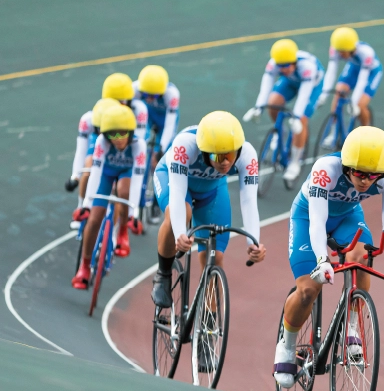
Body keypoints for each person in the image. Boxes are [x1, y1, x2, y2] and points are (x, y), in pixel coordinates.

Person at [273, 126, 384, 388]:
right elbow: (317, 220)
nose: (365, 180)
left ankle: (352, 327)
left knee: (361, 256)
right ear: (347, 166)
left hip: (348, 217)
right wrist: (323, 260)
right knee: (308, 290)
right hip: (308, 218)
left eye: (373, 176)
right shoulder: (326, 168)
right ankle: (287, 345)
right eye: (359, 173)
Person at [150, 112, 266, 308]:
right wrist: (180, 233)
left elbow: (248, 200)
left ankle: (208, 323)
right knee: (181, 213)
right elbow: (178, 193)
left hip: (211, 191)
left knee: (215, 256)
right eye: (218, 156)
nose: (225, 162)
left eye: (230, 155)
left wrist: (254, 242)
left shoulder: (247, 154)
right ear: (204, 151)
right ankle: (163, 274)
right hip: (174, 181)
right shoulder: (185, 145)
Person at [71, 105, 146, 288]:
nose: (117, 139)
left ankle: (122, 233)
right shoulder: (101, 143)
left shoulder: (139, 145)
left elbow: (137, 181)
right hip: (105, 174)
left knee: (123, 189)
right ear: (105, 135)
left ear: (130, 132)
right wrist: (87, 205)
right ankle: (85, 267)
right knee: (94, 219)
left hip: (127, 174)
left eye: (122, 134)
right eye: (112, 135)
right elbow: (95, 174)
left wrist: (133, 215)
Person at [244, 39, 325, 184]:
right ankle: (280, 132)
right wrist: (259, 107)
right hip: (291, 82)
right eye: (280, 67)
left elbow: (304, 95)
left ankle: (295, 162)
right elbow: (267, 84)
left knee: (301, 121)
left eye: (286, 66)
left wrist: (297, 116)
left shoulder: (307, 67)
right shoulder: (275, 63)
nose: (282, 70)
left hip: (311, 86)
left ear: (294, 62)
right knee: (273, 103)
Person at [66, 97, 120, 228]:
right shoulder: (87, 120)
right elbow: (81, 150)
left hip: (115, 137)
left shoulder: (120, 123)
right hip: (98, 141)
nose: (100, 131)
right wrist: (75, 177)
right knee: (89, 165)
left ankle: (113, 231)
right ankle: (81, 206)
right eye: (98, 128)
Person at [319, 27, 382, 133]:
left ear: (352, 49)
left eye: (343, 52)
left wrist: (353, 102)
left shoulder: (366, 53)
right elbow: (331, 72)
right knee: (338, 92)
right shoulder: (335, 48)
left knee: (360, 105)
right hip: (354, 68)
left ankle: (367, 131)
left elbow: (362, 80)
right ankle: (333, 130)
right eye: (339, 51)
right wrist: (324, 94)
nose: (340, 54)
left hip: (371, 73)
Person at [133, 65, 181, 165]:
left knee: (161, 158)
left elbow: (170, 125)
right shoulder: (134, 88)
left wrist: (161, 148)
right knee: (140, 142)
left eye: (154, 96)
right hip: (148, 114)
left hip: (164, 119)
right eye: (146, 95)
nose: (149, 99)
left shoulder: (172, 94)